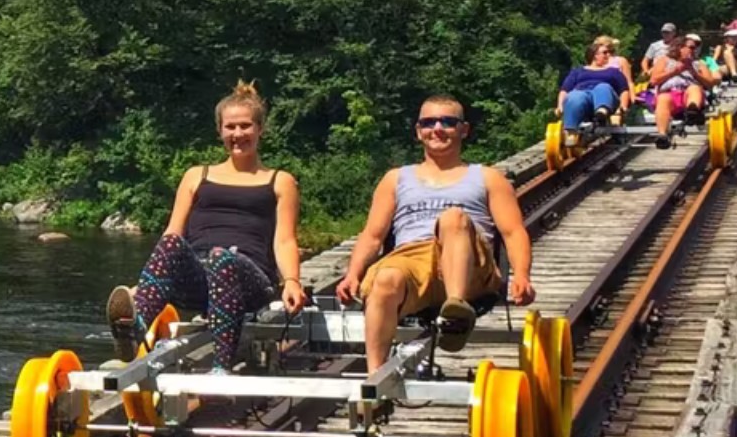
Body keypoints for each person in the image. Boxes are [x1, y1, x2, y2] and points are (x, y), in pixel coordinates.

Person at [105, 81, 306, 372]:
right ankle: (134, 329)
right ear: (220, 131)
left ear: (260, 129)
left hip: (250, 283)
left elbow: (284, 240)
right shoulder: (196, 176)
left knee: (221, 257)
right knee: (175, 245)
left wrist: (292, 281)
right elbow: (172, 234)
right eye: (230, 127)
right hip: (199, 280)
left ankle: (221, 366)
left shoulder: (280, 181)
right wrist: (144, 284)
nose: (238, 134)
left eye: (245, 126)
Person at [335, 95, 536, 373]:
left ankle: (456, 311)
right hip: (412, 262)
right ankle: (376, 379)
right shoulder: (396, 178)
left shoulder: (488, 177)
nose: (437, 129)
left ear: (464, 130)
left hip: (469, 262)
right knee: (384, 278)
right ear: (419, 131)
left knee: (453, 219)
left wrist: (522, 275)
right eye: (429, 123)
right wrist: (353, 274)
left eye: (448, 122)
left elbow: (513, 232)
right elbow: (372, 235)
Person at [556, 40, 633, 147]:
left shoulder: (613, 72)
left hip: (607, 97)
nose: (608, 55)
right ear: (595, 55)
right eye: (605, 53)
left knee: (602, 87)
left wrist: (623, 107)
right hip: (584, 96)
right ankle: (571, 132)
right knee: (575, 95)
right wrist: (560, 106)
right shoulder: (577, 72)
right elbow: (565, 90)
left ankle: (602, 111)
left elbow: (624, 90)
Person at [648, 35, 718, 149]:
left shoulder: (699, 63)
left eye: (695, 48)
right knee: (663, 99)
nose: (694, 50)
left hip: (689, 94)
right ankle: (662, 135)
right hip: (669, 93)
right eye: (691, 47)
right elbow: (654, 80)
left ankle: (692, 111)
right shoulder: (664, 60)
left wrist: (694, 73)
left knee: (694, 88)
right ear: (680, 47)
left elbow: (710, 83)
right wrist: (675, 71)